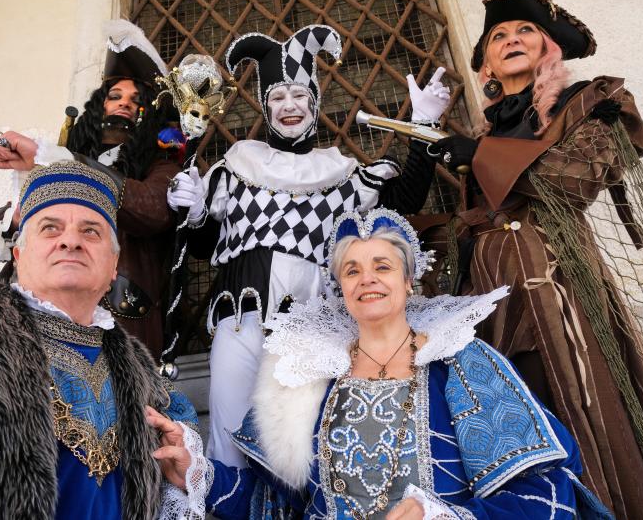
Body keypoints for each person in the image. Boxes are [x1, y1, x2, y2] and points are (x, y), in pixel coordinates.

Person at [147, 207, 614, 519]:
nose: (366, 279)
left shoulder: (460, 364)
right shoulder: (306, 377)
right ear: (341, 287)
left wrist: (442, 517)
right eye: (352, 270)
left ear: (409, 281)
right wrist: (198, 472)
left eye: (383, 266)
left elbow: (547, 495)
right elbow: (273, 503)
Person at [428, 0, 643, 518]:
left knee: (572, 401)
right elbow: (473, 222)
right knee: (516, 424)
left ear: (548, 48)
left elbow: (572, 182)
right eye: (498, 36)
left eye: (525, 30)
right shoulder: (491, 127)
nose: (510, 40)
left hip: (558, 289)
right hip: (490, 302)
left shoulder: (590, 103)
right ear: (487, 62)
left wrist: (480, 154)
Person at [166, 25, 451, 467]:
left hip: (314, 327)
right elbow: (204, 246)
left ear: (315, 102)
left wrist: (422, 127)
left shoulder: (339, 171)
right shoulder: (239, 163)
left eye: (299, 95)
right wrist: (196, 210)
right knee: (229, 440)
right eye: (277, 98)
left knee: (304, 449)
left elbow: (404, 201)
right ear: (265, 107)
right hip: (240, 322)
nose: (289, 106)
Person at [0, 161, 198, 519]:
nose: (71, 240)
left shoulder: (146, 376)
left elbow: (174, 479)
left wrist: (189, 474)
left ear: (113, 266)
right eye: (50, 228)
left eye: (91, 231)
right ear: (19, 254)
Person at [0, 20, 184, 358]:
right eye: (114, 96)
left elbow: (153, 210)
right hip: (33, 326)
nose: (124, 104)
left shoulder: (160, 166)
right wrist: (17, 216)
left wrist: (52, 157)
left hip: (121, 322)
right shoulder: (59, 160)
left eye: (135, 99)